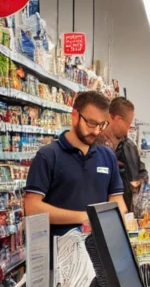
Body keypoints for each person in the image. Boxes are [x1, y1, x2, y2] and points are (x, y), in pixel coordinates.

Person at [24, 90, 127, 238]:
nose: (97, 131)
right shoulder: (48, 156)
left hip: (100, 253)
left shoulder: (107, 156)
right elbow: (32, 208)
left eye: (102, 125)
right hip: (60, 254)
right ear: (74, 116)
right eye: (91, 123)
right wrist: (85, 217)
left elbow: (117, 201)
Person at [96, 97, 148, 213]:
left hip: (126, 212)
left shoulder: (130, 146)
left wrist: (138, 182)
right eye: (128, 124)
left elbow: (143, 172)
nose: (129, 129)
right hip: (101, 213)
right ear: (118, 119)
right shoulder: (94, 146)